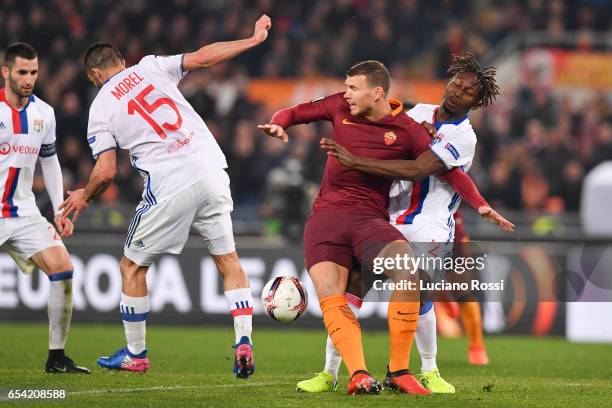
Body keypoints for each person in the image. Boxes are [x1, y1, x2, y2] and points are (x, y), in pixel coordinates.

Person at [258, 60, 511, 395]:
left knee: (418, 293)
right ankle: (330, 372)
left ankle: (427, 371)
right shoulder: (420, 112)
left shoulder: (464, 137)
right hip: (387, 215)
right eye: (456, 84)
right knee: (353, 287)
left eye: (467, 92)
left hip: (429, 224)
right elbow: (388, 122)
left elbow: (422, 168)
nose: (458, 92)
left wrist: (478, 203)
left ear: (475, 104)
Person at [59, 15, 272, 377]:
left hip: (170, 181)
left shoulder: (100, 109)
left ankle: (135, 354)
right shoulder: (151, 67)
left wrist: (84, 196)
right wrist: (251, 41)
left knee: (131, 267)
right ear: (122, 61)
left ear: (95, 77)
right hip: (211, 169)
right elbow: (204, 58)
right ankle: (243, 338)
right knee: (228, 260)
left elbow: (107, 171)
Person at [0, 43, 89, 373]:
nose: (29, 79)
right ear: (5, 72)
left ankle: (56, 357)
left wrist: (58, 210)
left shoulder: (44, 114)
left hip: (23, 212)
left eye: (33, 72)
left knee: (63, 269)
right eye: (22, 72)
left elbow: (49, 162)